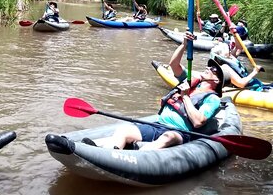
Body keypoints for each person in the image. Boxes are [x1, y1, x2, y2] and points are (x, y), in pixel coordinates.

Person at [83, 32, 225, 151]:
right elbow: (174, 65)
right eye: (209, 67)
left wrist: (186, 97)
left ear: (217, 81)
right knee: (123, 131)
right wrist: (184, 45)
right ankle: (109, 152)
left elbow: (198, 122)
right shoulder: (190, 80)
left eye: (213, 70)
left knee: (168, 137)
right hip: (159, 124)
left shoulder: (213, 99)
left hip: (180, 132)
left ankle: (135, 157)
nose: (208, 68)